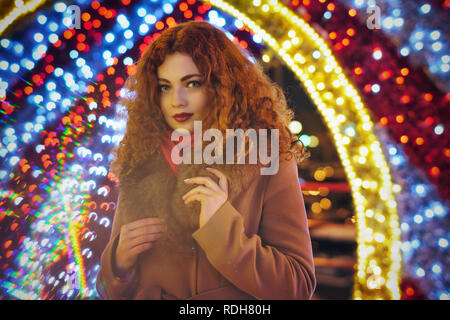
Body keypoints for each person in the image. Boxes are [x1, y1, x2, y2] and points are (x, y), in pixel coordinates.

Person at [96, 21, 316, 300]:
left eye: (193, 83)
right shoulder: (140, 157)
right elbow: (106, 290)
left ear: (223, 86)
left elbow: (296, 287)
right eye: (165, 87)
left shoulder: (264, 154)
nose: (177, 100)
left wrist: (221, 228)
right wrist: (118, 263)